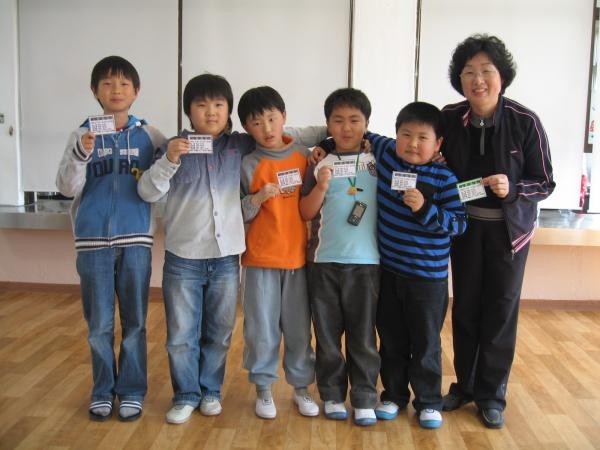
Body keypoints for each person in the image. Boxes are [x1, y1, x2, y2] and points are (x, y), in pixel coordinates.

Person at [137, 74, 326, 425]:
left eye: (218, 105)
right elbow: (149, 192)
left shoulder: (249, 146)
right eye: (201, 105)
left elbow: (286, 133)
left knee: (225, 333)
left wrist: (333, 140)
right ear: (189, 111)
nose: (210, 112)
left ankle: (220, 391)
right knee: (186, 335)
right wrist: (169, 161)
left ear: (228, 112)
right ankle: (192, 394)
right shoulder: (188, 148)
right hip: (192, 257)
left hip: (237, 257)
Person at [439, 34, 555, 429]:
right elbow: (422, 150)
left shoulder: (525, 121)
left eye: (486, 71)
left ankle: (491, 394)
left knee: (500, 311)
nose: (478, 80)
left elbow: (545, 181)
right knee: (465, 307)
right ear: (459, 79)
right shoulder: (450, 118)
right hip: (465, 230)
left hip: (509, 235)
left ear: (501, 76)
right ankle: (465, 385)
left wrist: (514, 188)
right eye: (469, 72)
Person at [56, 55, 166, 422]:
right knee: (99, 325)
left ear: (136, 91)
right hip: (92, 243)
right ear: (94, 90)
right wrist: (82, 153)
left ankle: (132, 391)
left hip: (136, 241)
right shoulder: (81, 134)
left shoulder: (151, 136)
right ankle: (102, 390)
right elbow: (66, 187)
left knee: (135, 322)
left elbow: (163, 182)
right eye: (107, 83)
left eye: (123, 84)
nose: (115, 90)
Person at [362, 102, 467, 429]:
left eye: (423, 138)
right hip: (388, 273)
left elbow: (459, 224)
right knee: (391, 340)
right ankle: (393, 395)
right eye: (405, 135)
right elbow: (357, 131)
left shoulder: (445, 178)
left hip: (427, 280)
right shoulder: (387, 154)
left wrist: (425, 210)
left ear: (438, 144)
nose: (412, 143)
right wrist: (323, 147)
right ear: (395, 136)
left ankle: (429, 402)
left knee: (426, 343)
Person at [300, 88, 380, 426]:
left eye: (354, 120)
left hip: (367, 265)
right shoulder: (319, 162)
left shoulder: (378, 160)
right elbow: (305, 212)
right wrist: (320, 186)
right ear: (327, 125)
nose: (346, 128)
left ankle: (364, 397)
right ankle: (332, 395)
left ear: (367, 124)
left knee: (363, 337)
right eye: (338, 120)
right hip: (323, 263)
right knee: (328, 337)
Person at [237, 86, 318, 420]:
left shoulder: (303, 155)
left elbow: (313, 202)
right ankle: (263, 389)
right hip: (260, 260)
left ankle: (301, 389)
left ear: (284, 117)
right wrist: (257, 199)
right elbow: (237, 213)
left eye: (272, 119)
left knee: (299, 330)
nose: (267, 128)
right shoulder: (248, 163)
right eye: (257, 123)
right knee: (261, 330)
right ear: (246, 128)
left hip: (297, 259)